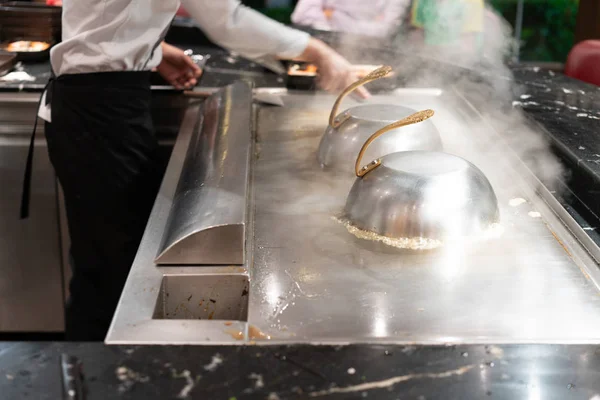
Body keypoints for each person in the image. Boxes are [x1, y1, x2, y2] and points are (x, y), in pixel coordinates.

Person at [29, 0, 367, 341]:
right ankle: (94, 378)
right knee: (109, 276)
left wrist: (152, 50)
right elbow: (225, 18)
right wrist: (320, 53)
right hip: (99, 116)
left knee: (109, 264)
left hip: (98, 105)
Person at [291, 0, 410, 38]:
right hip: (324, 46)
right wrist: (370, 23)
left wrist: (334, 16)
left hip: (372, 53)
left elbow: (384, 30)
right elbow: (301, 16)